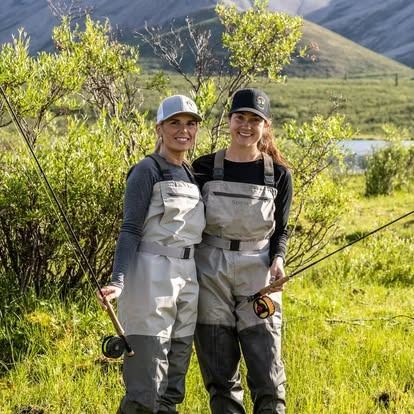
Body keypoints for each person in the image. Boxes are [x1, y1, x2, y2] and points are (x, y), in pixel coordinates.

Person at [97, 95, 205, 413]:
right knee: (146, 388)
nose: (183, 130)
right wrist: (118, 281)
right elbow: (130, 229)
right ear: (159, 128)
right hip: (149, 279)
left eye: (190, 123)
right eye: (174, 123)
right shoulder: (146, 170)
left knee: (173, 387)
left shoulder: (191, 174)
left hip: (187, 280)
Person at [193, 88, 293, 414]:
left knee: (268, 374)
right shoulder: (203, 167)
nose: (246, 126)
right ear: (229, 120)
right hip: (210, 275)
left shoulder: (279, 174)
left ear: (266, 125)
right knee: (220, 377)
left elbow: (281, 230)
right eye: (240, 118)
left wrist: (278, 260)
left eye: (255, 120)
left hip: (259, 275)